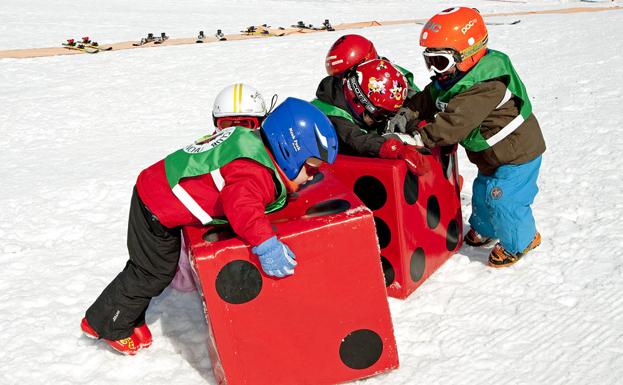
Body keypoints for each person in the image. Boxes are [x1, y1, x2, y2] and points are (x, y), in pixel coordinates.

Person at [80, 97, 339, 355]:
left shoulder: (253, 144)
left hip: (159, 191)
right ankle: (105, 323)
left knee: (154, 268)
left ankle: (126, 314)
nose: (314, 174)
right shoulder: (254, 171)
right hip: (156, 204)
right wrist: (266, 243)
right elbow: (241, 206)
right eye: (312, 165)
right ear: (288, 150)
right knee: (153, 272)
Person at [403, 7, 546, 267]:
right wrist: (409, 110)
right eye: (430, 61)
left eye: (441, 62)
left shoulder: (486, 85)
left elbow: (454, 124)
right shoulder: (455, 77)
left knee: (503, 199)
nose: (436, 70)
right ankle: (486, 229)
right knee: (482, 193)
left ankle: (521, 240)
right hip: (491, 156)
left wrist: (417, 139)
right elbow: (430, 97)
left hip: (518, 155)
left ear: (468, 55)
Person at [169, 82, 271, 292]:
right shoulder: (209, 151)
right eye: (228, 125)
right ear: (217, 124)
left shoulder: (257, 154)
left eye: (244, 124)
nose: (236, 133)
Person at [312, 58, 430, 176]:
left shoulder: (352, 103)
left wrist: (415, 126)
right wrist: (396, 149)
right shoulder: (331, 116)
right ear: (359, 102)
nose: (382, 120)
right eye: (380, 115)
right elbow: (356, 139)